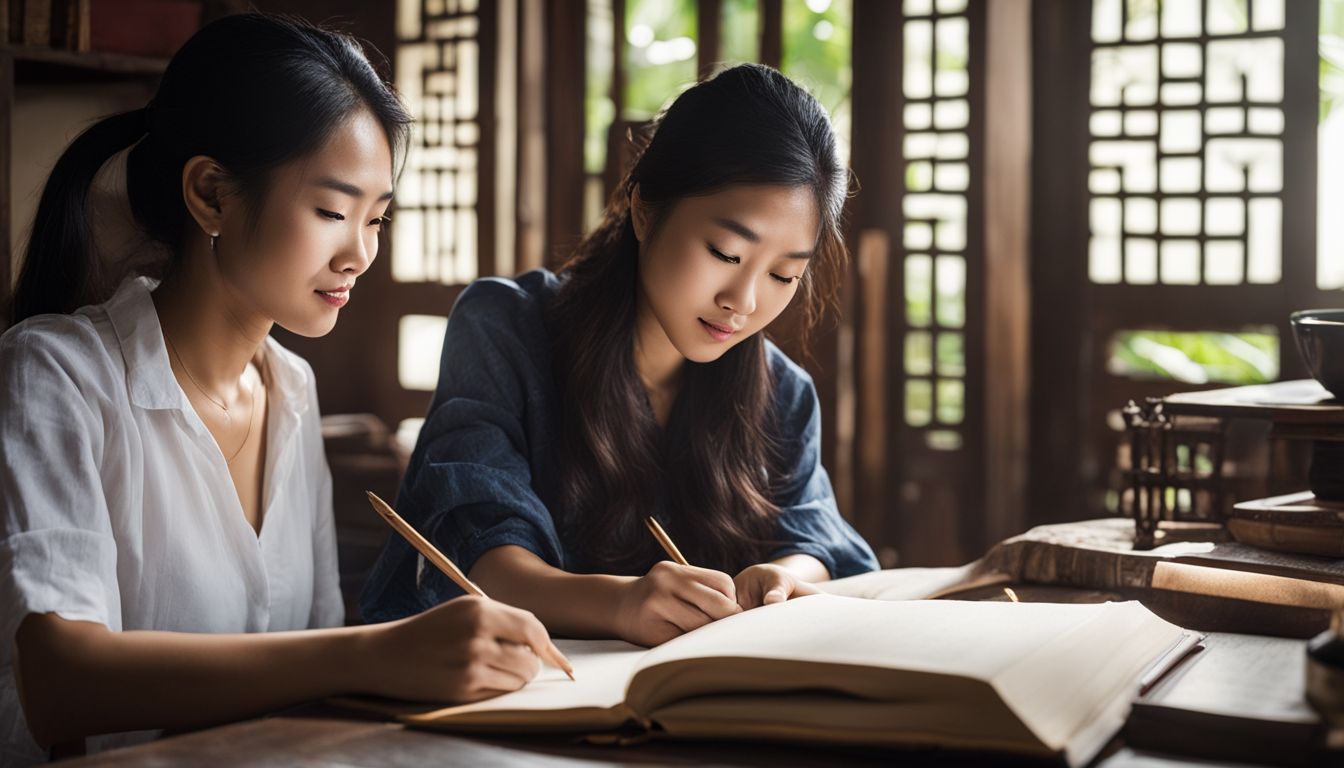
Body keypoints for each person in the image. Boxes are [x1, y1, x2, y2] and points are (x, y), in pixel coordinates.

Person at [0, 14, 558, 765]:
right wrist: (371, 652)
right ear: (211, 194)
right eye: (331, 210)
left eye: (377, 218)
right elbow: (62, 680)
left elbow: (305, 664)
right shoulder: (57, 376)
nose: (360, 253)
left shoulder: (291, 387)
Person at [361, 63, 878, 648]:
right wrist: (623, 603)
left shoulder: (782, 392)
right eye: (725, 253)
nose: (744, 301)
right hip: (511, 697)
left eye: (786, 274)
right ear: (644, 208)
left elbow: (817, 543)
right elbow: (481, 558)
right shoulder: (505, 329)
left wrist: (783, 579)